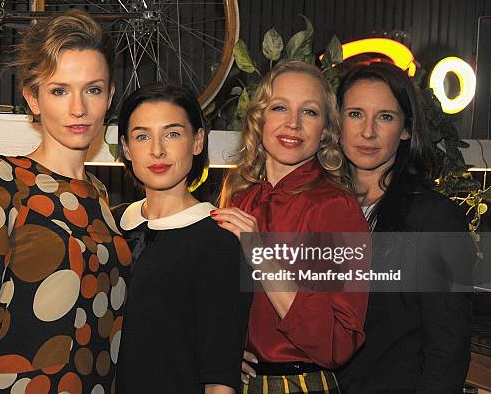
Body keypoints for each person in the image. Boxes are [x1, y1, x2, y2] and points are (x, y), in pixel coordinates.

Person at [0, 9, 131, 393]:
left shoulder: (103, 202)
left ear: (109, 97)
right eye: (59, 90)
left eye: (93, 89)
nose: (78, 108)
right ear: (32, 99)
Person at [213, 61, 369, 393]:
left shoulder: (335, 207)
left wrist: (261, 255)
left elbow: (339, 342)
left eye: (309, 112)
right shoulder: (238, 198)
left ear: (326, 129)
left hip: (302, 384)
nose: (293, 123)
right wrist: (220, 352)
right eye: (280, 107)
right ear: (260, 118)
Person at [335, 61, 474, 393]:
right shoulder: (319, 210)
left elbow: (447, 352)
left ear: (406, 129)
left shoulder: (436, 220)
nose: (368, 132)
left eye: (385, 116)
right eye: (355, 114)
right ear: (336, 122)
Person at [112, 83, 251, 394]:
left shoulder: (220, 240)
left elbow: (220, 379)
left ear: (198, 141)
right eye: (142, 136)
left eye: (172, 134)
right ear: (126, 147)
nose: (157, 150)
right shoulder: (109, 223)